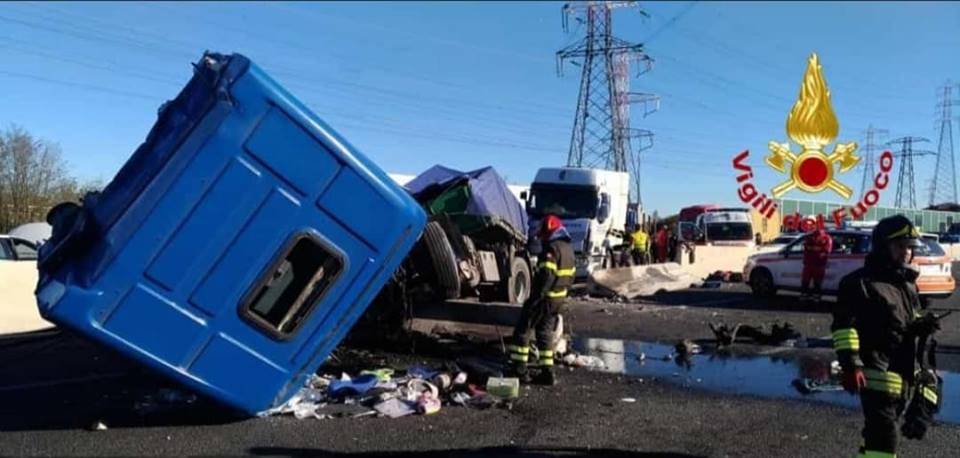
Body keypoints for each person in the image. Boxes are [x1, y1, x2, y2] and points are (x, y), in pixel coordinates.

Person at [832, 215, 944, 457]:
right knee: (884, 440)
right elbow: (844, 328)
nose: (906, 253)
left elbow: (905, 321)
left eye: (909, 248)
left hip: (903, 374)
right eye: (900, 246)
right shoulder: (858, 283)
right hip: (875, 374)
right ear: (883, 247)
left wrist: (922, 324)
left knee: (877, 440)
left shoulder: (906, 284)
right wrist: (851, 366)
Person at [508, 214, 575, 385]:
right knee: (544, 335)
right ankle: (547, 372)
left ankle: (520, 370)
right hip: (558, 300)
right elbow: (570, 277)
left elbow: (546, 276)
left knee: (523, 330)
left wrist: (536, 298)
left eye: (544, 235)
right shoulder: (568, 249)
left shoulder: (552, 249)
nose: (543, 239)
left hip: (545, 299)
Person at [801, 228, 833, 301]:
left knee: (812, 280)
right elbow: (806, 247)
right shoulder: (826, 237)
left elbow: (827, 250)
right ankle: (814, 296)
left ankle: (807, 295)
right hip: (815, 263)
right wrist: (818, 249)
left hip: (815, 263)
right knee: (814, 281)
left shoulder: (826, 238)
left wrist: (812, 248)